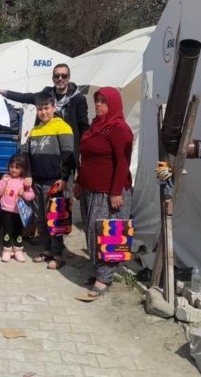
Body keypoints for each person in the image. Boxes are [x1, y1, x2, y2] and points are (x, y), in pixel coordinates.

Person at [73, 87, 133, 302]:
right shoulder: (94, 127)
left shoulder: (119, 129)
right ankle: (100, 271)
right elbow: (85, 159)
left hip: (108, 192)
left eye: (103, 101)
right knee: (91, 232)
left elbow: (123, 163)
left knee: (108, 235)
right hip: (90, 190)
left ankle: (105, 277)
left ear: (114, 103)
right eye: (97, 100)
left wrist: (116, 192)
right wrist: (79, 181)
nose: (98, 104)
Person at [0, 63, 89, 166]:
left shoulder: (78, 99)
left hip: (66, 153)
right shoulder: (46, 95)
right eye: (57, 76)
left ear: (68, 78)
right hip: (44, 151)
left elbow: (84, 126)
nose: (60, 78)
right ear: (53, 79)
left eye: (63, 76)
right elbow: (24, 97)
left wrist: (84, 153)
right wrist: (0, 91)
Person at [24, 94, 76, 270]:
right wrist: (28, 174)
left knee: (54, 219)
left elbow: (69, 155)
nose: (43, 112)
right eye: (40, 108)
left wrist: (64, 178)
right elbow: (27, 156)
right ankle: (46, 250)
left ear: (54, 108)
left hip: (54, 182)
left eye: (46, 108)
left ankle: (58, 254)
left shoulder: (63, 127)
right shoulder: (35, 130)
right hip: (36, 181)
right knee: (40, 219)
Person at [0, 153, 35, 262]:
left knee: (18, 231)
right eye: (12, 167)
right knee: (7, 231)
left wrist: (24, 193)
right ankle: (6, 250)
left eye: (17, 167)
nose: (14, 170)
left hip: (20, 212)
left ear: (22, 169)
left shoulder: (24, 181)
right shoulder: (6, 179)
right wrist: (3, 182)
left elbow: (31, 196)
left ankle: (18, 250)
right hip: (6, 210)